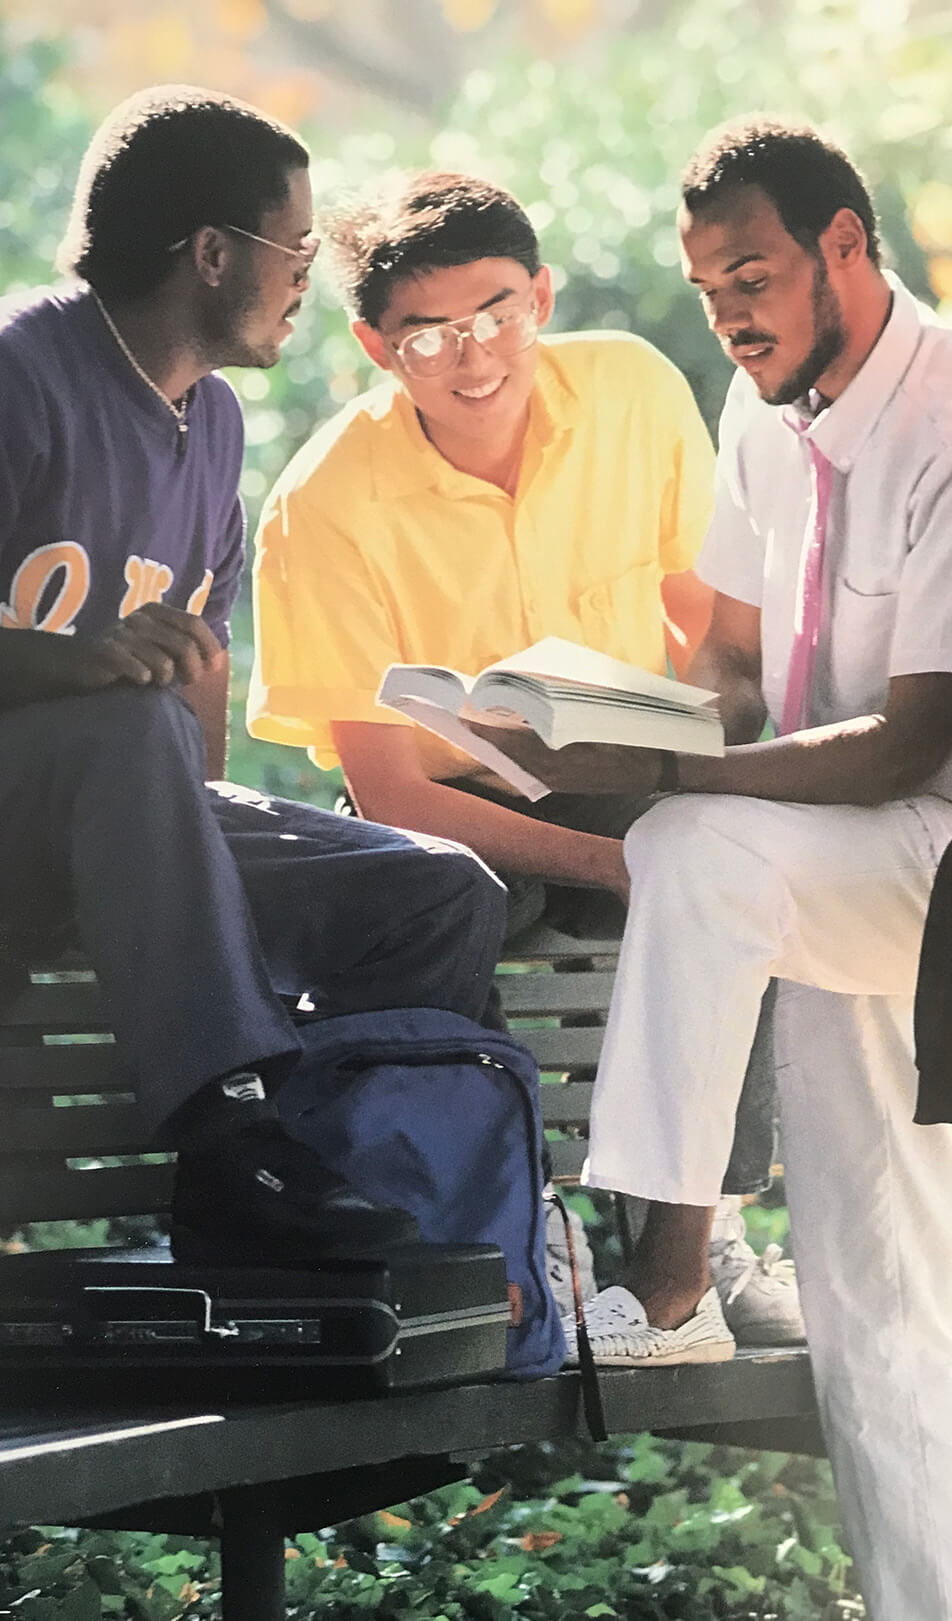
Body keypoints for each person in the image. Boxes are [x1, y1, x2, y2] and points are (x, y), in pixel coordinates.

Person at [470, 118, 952, 1621]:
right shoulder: (764, 420)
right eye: (705, 286)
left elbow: (908, 743)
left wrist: (668, 782)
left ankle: (667, 1277)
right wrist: (596, 732)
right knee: (879, 1309)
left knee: (694, 838)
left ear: (847, 249)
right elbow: (736, 668)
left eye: (752, 275)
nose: (728, 313)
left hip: (927, 861)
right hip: (817, 865)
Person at [0, 86, 509, 1269]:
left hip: (113, 821)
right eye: (295, 245)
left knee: (438, 889)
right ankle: (237, 1138)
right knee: (122, 727)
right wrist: (77, 667)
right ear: (212, 253)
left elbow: (190, 730)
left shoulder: (213, 428)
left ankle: (346, 1197)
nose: (308, 273)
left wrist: (160, 784)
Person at [247, 169, 803, 1345]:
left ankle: (692, 1266)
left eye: (497, 310)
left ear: (541, 293)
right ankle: (504, 1239)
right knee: (446, 907)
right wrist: (616, 866)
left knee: (737, 858)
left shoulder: (632, 389)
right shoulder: (323, 501)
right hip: (438, 819)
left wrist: (686, 754)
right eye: (430, 333)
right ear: (372, 344)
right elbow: (389, 785)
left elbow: (714, 634)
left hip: (623, 768)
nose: (474, 353)